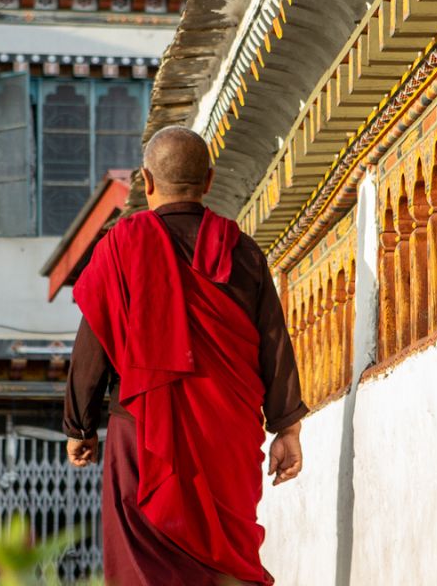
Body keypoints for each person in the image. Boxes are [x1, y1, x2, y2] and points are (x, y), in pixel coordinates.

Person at [63, 126, 308, 586]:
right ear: (209, 180)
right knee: (221, 563)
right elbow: (274, 341)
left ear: (146, 181)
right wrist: (286, 427)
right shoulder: (243, 250)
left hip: (142, 430)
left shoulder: (121, 246)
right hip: (226, 433)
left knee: (144, 563)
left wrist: (79, 426)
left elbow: (93, 340)